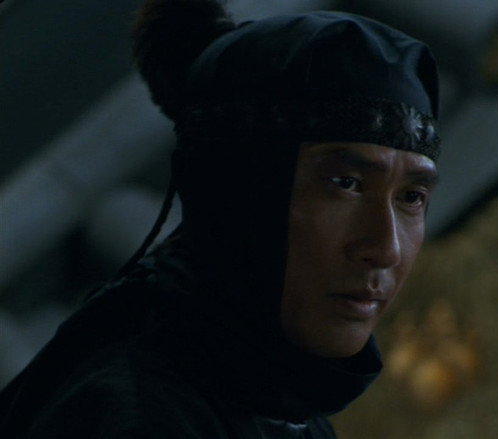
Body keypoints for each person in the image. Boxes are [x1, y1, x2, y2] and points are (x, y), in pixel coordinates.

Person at [0, 1, 440, 437]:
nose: (385, 249)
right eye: (345, 183)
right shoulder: (139, 417)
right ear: (240, 194)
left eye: (411, 197)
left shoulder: (281, 408)